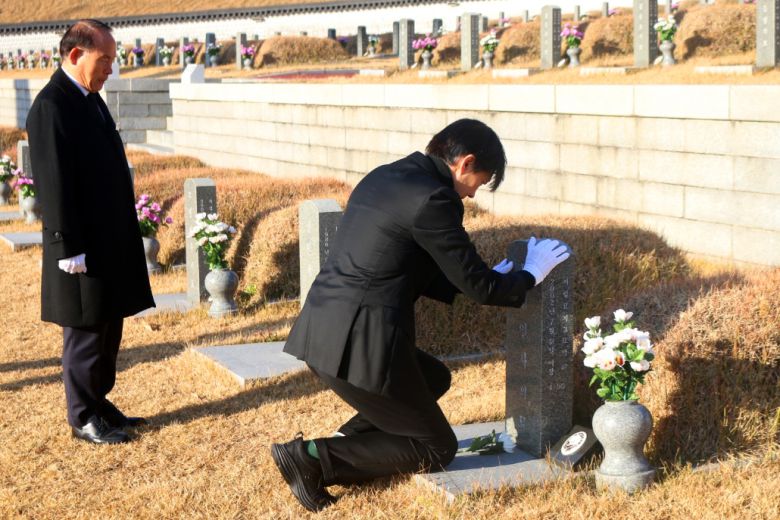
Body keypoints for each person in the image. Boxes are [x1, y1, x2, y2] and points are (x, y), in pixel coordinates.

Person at [272, 119, 570, 511]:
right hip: (362, 343)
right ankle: (311, 458)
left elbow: (400, 257)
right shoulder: (435, 198)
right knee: (437, 447)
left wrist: (483, 276)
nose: (469, 195)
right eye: (476, 185)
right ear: (465, 163)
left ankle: (355, 443)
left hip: (324, 327)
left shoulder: (386, 176)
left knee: (432, 378)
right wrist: (530, 273)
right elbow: (481, 290)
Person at [26, 19, 154, 444]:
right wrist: (67, 245)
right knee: (84, 330)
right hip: (80, 243)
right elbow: (53, 180)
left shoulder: (89, 98)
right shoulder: (52, 105)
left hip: (107, 237)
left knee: (107, 324)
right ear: (76, 54)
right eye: (105, 60)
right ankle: (82, 415)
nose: (110, 70)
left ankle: (98, 401)